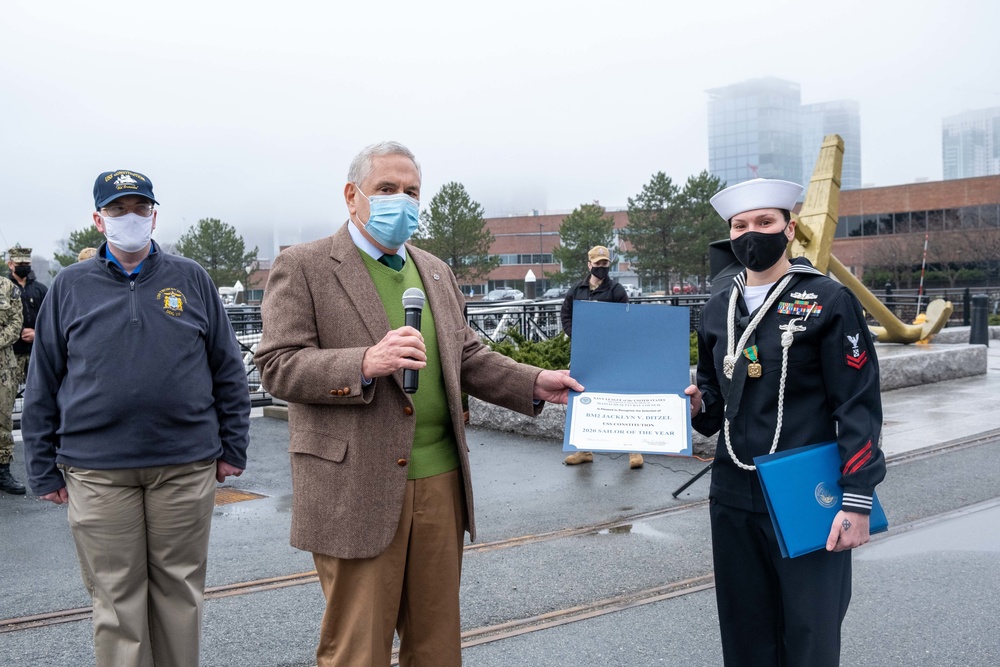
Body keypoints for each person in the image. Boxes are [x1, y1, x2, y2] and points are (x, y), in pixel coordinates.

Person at [254, 141, 583, 667]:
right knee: (358, 650)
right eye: (386, 189)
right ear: (352, 196)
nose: (401, 201)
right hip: (354, 484)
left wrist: (534, 380)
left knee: (436, 646)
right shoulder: (305, 266)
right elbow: (277, 365)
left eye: (411, 192)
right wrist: (365, 361)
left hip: (440, 478)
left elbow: (466, 354)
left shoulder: (433, 269)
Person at [21, 169, 251, 667]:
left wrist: (233, 448)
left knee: (179, 594)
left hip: (184, 465)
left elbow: (227, 367)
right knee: (117, 601)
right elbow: (44, 380)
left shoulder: (191, 278)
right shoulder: (68, 286)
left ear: (154, 214)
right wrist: (41, 466)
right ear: (98, 220)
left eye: (140, 208)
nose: (130, 218)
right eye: (118, 209)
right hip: (98, 471)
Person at [683, 178, 886, 667]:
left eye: (764, 222)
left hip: (805, 492)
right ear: (730, 236)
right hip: (732, 492)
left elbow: (858, 405)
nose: (752, 233)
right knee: (744, 632)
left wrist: (857, 499)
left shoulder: (828, 300)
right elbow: (715, 402)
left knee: (810, 632)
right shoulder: (717, 308)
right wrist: (694, 407)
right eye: (741, 225)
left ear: (789, 228)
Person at [559, 245, 642, 468]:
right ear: (589, 265)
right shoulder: (576, 290)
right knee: (582, 399)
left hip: (612, 353)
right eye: (598, 264)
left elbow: (626, 319)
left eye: (605, 263)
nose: (601, 267)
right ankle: (583, 451)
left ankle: (634, 451)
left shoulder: (616, 291)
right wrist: (576, 335)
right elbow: (565, 316)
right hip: (585, 353)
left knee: (622, 399)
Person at [6, 245, 47, 396]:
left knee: (40, 393)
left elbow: (49, 317)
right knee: (9, 396)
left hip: (36, 350)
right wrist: (18, 331)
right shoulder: (5, 289)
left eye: (26, 264)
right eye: (19, 265)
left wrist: (37, 333)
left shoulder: (40, 289)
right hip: (12, 353)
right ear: (11, 264)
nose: (23, 267)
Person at [0, 259, 25, 494]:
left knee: (3, 420)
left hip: (3, 368)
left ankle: (2, 471)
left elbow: (17, 322)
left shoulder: (8, 288)